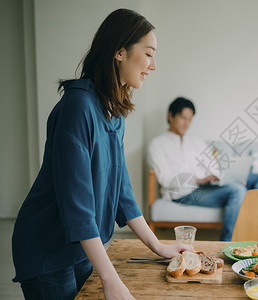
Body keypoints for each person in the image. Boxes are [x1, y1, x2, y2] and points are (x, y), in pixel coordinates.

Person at [12, 9, 193, 300]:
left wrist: (158, 246)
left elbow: (121, 190)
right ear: (120, 52)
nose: (153, 65)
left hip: (84, 244)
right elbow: (78, 203)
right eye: (148, 53)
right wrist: (110, 278)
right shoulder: (77, 108)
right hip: (48, 246)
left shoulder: (114, 112)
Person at [148, 97, 258, 241]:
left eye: (190, 119)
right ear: (170, 115)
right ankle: (226, 243)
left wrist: (222, 178)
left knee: (257, 178)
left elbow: (214, 167)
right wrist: (197, 180)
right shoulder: (157, 144)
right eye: (183, 118)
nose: (187, 123)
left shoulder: (196, 142)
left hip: (207, 186)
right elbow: (165, 178)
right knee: (237, 190)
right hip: (184, 194)